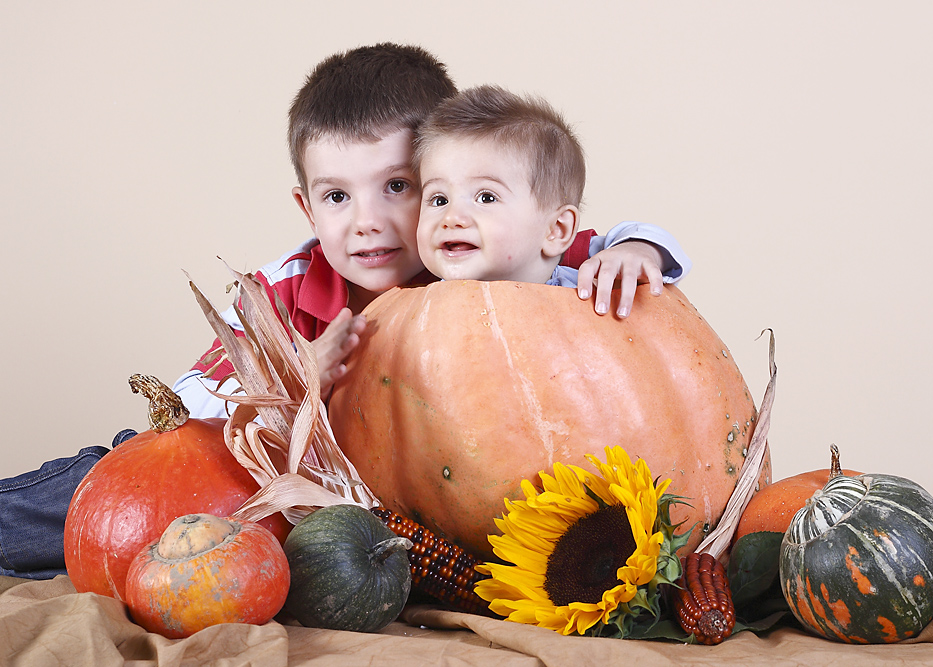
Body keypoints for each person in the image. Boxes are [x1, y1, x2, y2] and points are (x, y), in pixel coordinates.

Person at [0, 43, 689, 579]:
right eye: (337, 197)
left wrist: (638, 250)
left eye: (398, 186)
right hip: (236, 482)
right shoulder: (286, 292)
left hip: (379, 517)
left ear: (445, 177)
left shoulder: (482, 259)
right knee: (84, 510)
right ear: (306, 208)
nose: (369, 223)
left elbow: (572, 245)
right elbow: (189, 424)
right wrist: (296, 380)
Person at [414, 84, 689, 288]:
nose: (452, 218)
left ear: (556, 230)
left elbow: (653, 242)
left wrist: (638, 251)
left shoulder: (579, 264)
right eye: (439, 200)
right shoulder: (417, 297)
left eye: (486, 198)